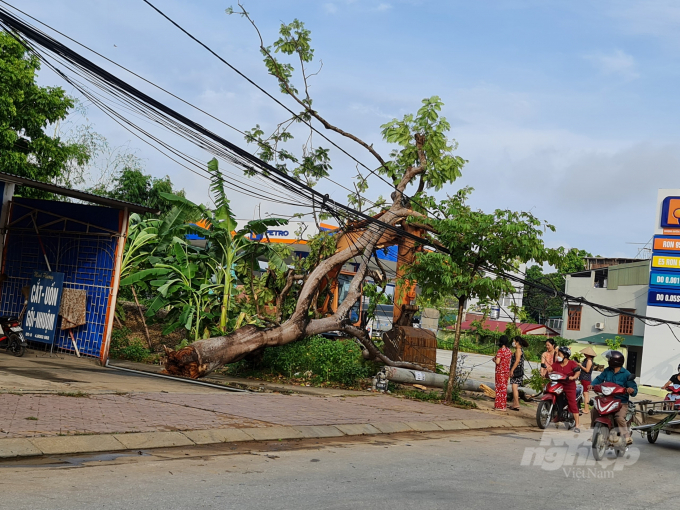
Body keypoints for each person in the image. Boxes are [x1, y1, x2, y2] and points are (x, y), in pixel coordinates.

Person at [590, 351, 638, 445]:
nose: (608, 361)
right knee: (594, 411)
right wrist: (592, 385)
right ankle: (595, 432)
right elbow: (599, 379)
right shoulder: (607, 370)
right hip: (606, 399)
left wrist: (631, 390)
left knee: (619, 417)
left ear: (614, 361)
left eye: (609, 359)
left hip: (621, 402)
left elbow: (634, 389)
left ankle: (626, 436)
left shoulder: (626, 374)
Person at [548, 346, 582, 433]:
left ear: (565, 356)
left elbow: (577, 371)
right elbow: (551, 368)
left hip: (569, 386)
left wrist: (573, 377)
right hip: (558, 384)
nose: (557, 356)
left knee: (572, 404)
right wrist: (547, 370)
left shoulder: (572, 363)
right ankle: (557, 415)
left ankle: (577, 425)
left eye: (559, 354)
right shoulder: (556, 364)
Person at [493, 335, 513, 411]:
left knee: (499, 388)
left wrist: (494, 360)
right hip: (506, 372)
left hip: (500, 372)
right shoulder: (509, 351)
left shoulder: (500, 351)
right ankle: (503, 405)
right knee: (504, 388)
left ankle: (499, 406)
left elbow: (498, 361)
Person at [509, 336, 529, 411]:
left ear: (517, 342)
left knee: (514, 388)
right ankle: (515, 403)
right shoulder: (520, 350)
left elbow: (517, 361)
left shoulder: (518, 350)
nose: (513, 343)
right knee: (514, 387)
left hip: (517, 371)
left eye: (514, 341)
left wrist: (512, 370)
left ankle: (516, 404)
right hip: (519, 371)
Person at [576, 347, 597, 414]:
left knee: (585, 393)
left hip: (586, 378)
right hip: (584, 378)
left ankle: (586, 409)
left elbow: (587, 370)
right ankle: (586, 408)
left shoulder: (589, 361)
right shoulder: (587, 360)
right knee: (585, 394)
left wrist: (580, 365)